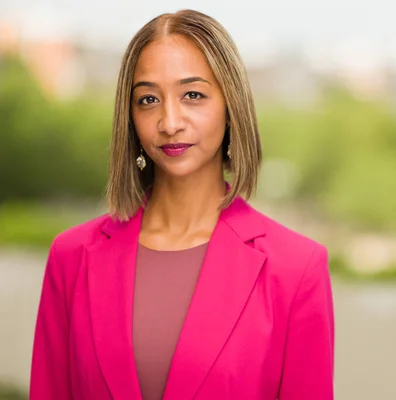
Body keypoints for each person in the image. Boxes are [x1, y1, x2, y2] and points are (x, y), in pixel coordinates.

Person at [29, 9, 335, 400]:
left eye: (193, 95)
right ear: (130, 117)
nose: (169, 121)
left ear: (231, 106)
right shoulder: (71, 257)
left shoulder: (296, 269)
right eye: (148, 99)